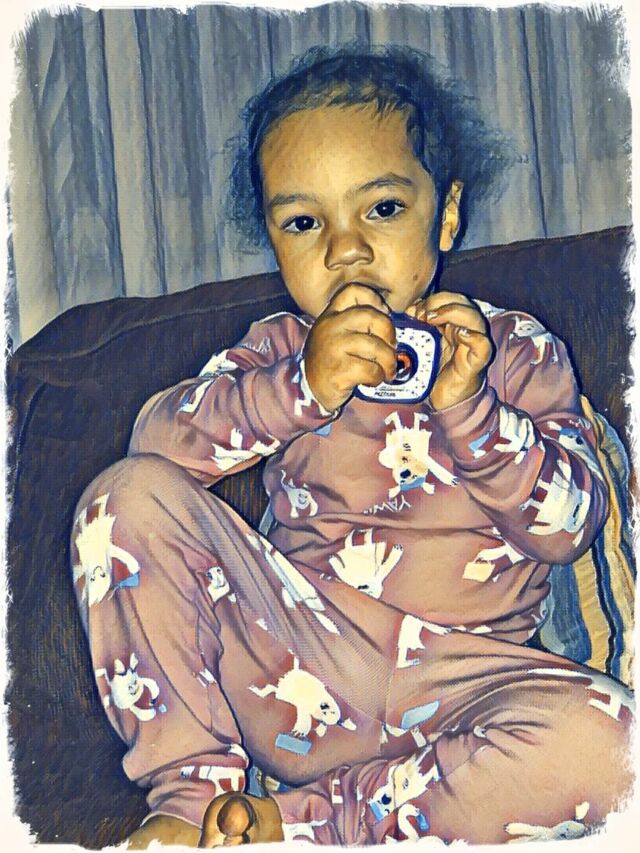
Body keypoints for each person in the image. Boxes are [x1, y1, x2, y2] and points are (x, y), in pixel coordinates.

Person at [70, 45, 634, 848]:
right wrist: (300, 386)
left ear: (445, 213)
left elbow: (570, 525)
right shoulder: (279, 348)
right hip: (298, 670)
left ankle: (302, 824)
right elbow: (157, 449)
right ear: (275, 243)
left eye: (383, 208)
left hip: (469, 687)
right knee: (119, 498)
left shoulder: (512, 350)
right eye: (305, 222)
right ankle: (194, 797)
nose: (346, 249)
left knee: (613, 743)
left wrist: (471, 408)